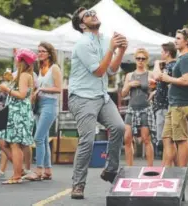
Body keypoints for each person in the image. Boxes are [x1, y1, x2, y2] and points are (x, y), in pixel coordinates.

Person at [69, 7, 127, 199]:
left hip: (101, 96)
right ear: (82, 24)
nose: (92, 14)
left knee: (119, 127)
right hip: (82, 97)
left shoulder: (103, 39)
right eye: (87, 15)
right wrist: (112, 48)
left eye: (93, 12)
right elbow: (98, 72)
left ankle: (110, 170)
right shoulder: (82, 44)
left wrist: (121, 50)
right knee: (87, 140)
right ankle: (78, 184)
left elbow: (111, 70)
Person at [154, 28, 188, 167]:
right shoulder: (182, 58)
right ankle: (166, 171)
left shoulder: (186, 58)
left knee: (181, 140)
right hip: (174, 104)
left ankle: (181, 173)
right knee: (166, 137)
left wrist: (168, 78)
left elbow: (187, 80)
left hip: (181, 104)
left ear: (187, 41)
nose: (175, 40)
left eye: (178, 38)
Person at [0, 48, 37, 184]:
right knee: (7, 143)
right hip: (16, 112)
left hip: (18, 113)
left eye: (17, 58)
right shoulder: (24, 75)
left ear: (21, 61)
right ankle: (19, 171)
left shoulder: (25, 76)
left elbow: (22, 95)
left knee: (15, 144)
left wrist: (6, 89)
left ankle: (16, 175)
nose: (15, 60)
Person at [25, 42, 62, 181]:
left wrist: (40, 89)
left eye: (42, 51)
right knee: (44, 139)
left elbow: (59, 89)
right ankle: (48, 170)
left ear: (49, 53)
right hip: (39, 104)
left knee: (38, 138)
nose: (39, 53)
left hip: (50, 105)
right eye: (38, 51)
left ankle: (38, 170)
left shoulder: (55, 68)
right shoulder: (40, 68)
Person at [121, 48, 155, 166]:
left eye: (143, 58)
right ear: (135, 60)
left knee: (146, 139)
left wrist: (152, 92)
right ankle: (129, 167)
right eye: (138, 58)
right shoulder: (130, 75)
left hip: (145, 109)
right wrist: (129, 85)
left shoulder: (150, 74)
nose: (140, 61)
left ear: (146, 60)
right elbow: (123, 94)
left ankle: (150, 168)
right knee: (127, 138)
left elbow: (158, 89)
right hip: (132, 109)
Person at [150, 42, 177, 159]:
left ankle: (167, 168)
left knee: (165, 140)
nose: (161, 54)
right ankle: (175, 169)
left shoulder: (170, 66)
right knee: (169, 140)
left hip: (164, 106)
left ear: (167, 53)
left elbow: (156, 76)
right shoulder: (173, 66)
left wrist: (156, 64)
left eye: (162, 52)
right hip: (166, 105)